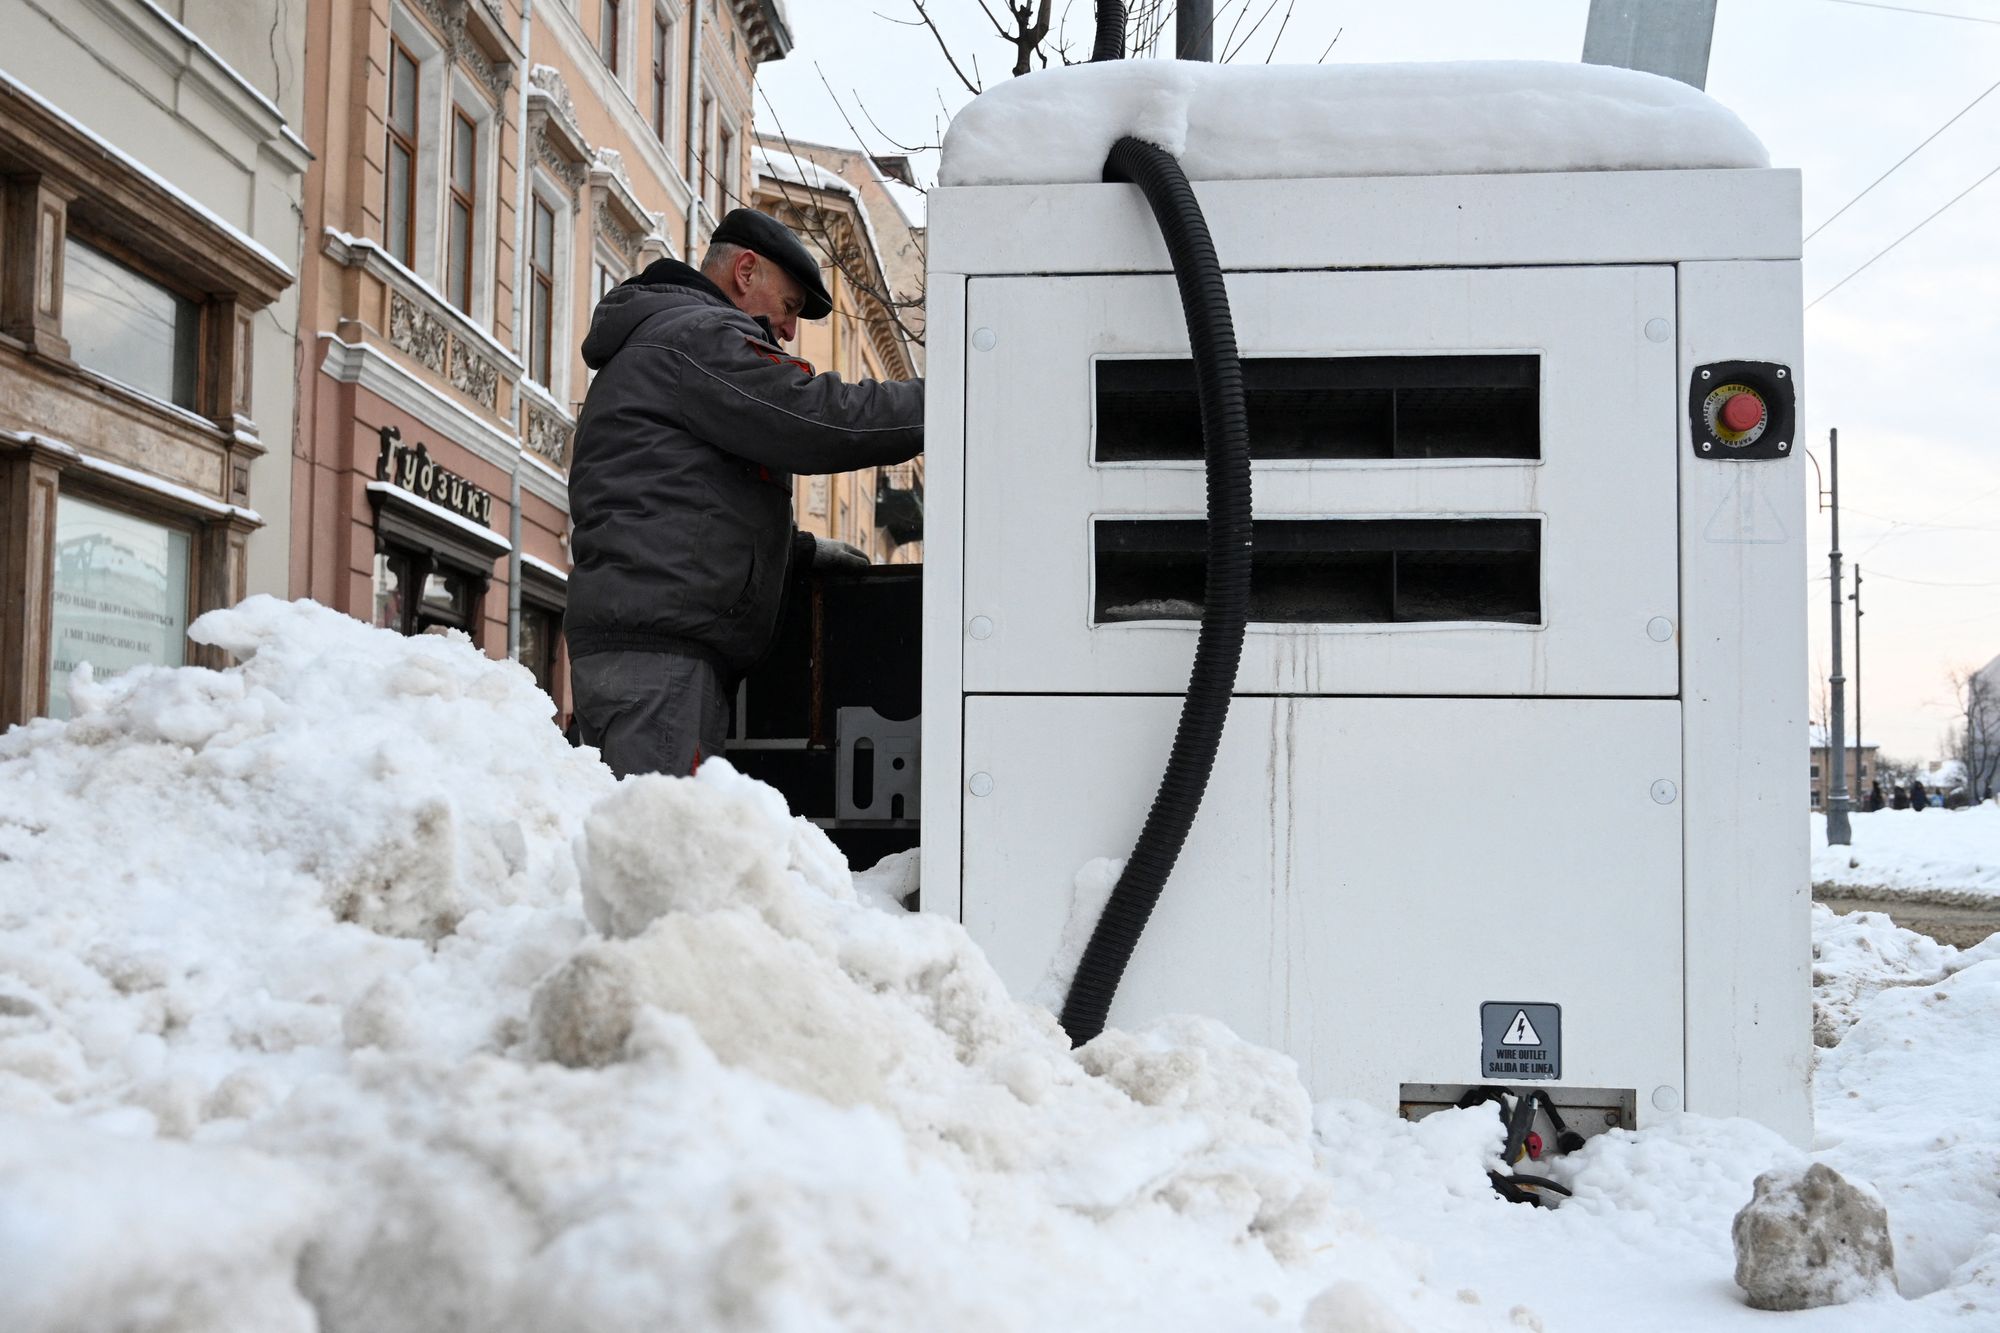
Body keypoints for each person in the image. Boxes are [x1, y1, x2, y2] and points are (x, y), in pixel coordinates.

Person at [564, 209, 924, 779]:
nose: (787, 331)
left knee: (640, 845)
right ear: (747, 270)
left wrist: (795, 552)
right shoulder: (699, 337)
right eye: (788, 308)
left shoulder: (661, 341)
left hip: (645, 647)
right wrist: (952, 395)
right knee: (667, 852)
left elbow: (681, 495)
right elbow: (815, 417)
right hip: (662, 661)